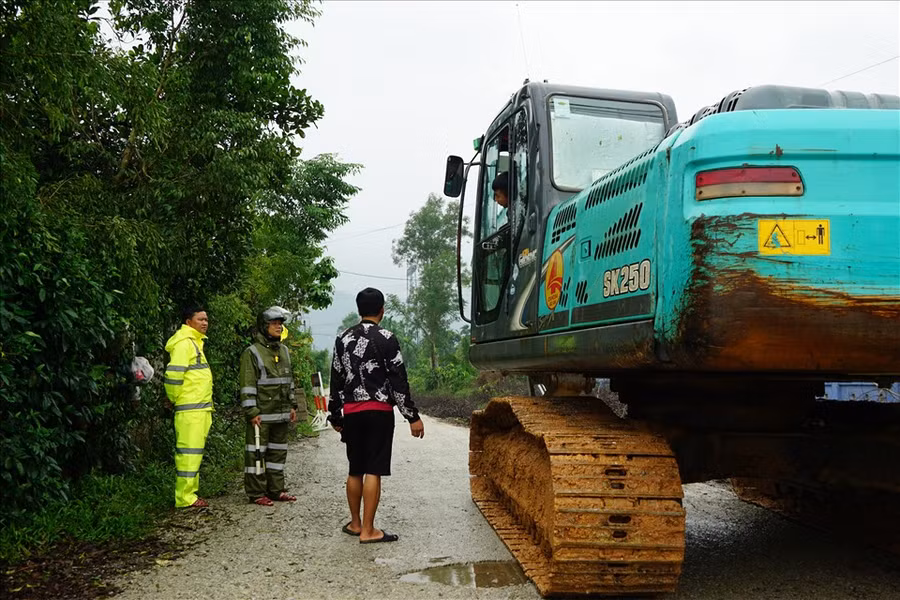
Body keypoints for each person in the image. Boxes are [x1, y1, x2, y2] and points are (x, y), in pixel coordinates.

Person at [328, 287, 424, 543]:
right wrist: (411, 416)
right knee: (374, 470)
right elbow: (398, 381)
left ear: (359, 310)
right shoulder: (386, 338)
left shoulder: (343, 338)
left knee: (355, 469)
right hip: (379, 412)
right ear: (382, 310)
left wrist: (335, 416)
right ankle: (370, 531)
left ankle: (356, 524)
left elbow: (336, 379)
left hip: (352, 413)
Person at [239, 306, 300, 506]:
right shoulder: (252, 352)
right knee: (257, 454)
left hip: (281, 414)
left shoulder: (283, 350)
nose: (278, 327)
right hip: (261, 415)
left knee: (277, 453)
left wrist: (292, 405)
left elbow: (289, 379)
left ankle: (276, 490)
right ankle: (256, 493)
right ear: (264, 326)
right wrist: (251, 411)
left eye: (280, 324)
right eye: (274, 323)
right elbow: (248, 383)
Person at [164, 305, 214, 509]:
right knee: (188, 454)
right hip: (190, 409)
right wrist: (174, 399)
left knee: (193, 453)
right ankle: (185, 498)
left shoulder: (195, 343)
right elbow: (173, 375)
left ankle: (190, 495)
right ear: (188, 322)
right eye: (200, 319)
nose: (205, 323)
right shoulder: (185, 344)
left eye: (206, 320)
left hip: (199, 408)